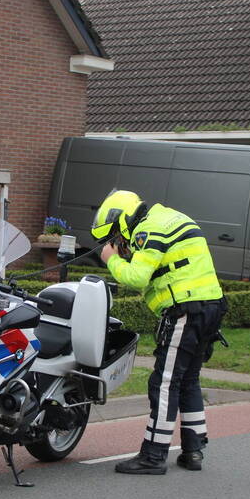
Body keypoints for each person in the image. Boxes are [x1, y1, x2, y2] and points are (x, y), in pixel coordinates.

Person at [92, 190, 226, 475]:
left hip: (185, 309)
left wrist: (110, 259)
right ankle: (194, 450)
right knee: (188, 379)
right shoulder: (167, 217)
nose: (119, 243)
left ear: (123, 221)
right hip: (210, 305)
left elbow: (136, 277)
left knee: (163, 383)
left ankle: (153, 455)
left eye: (115, 236)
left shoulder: (147, 231)